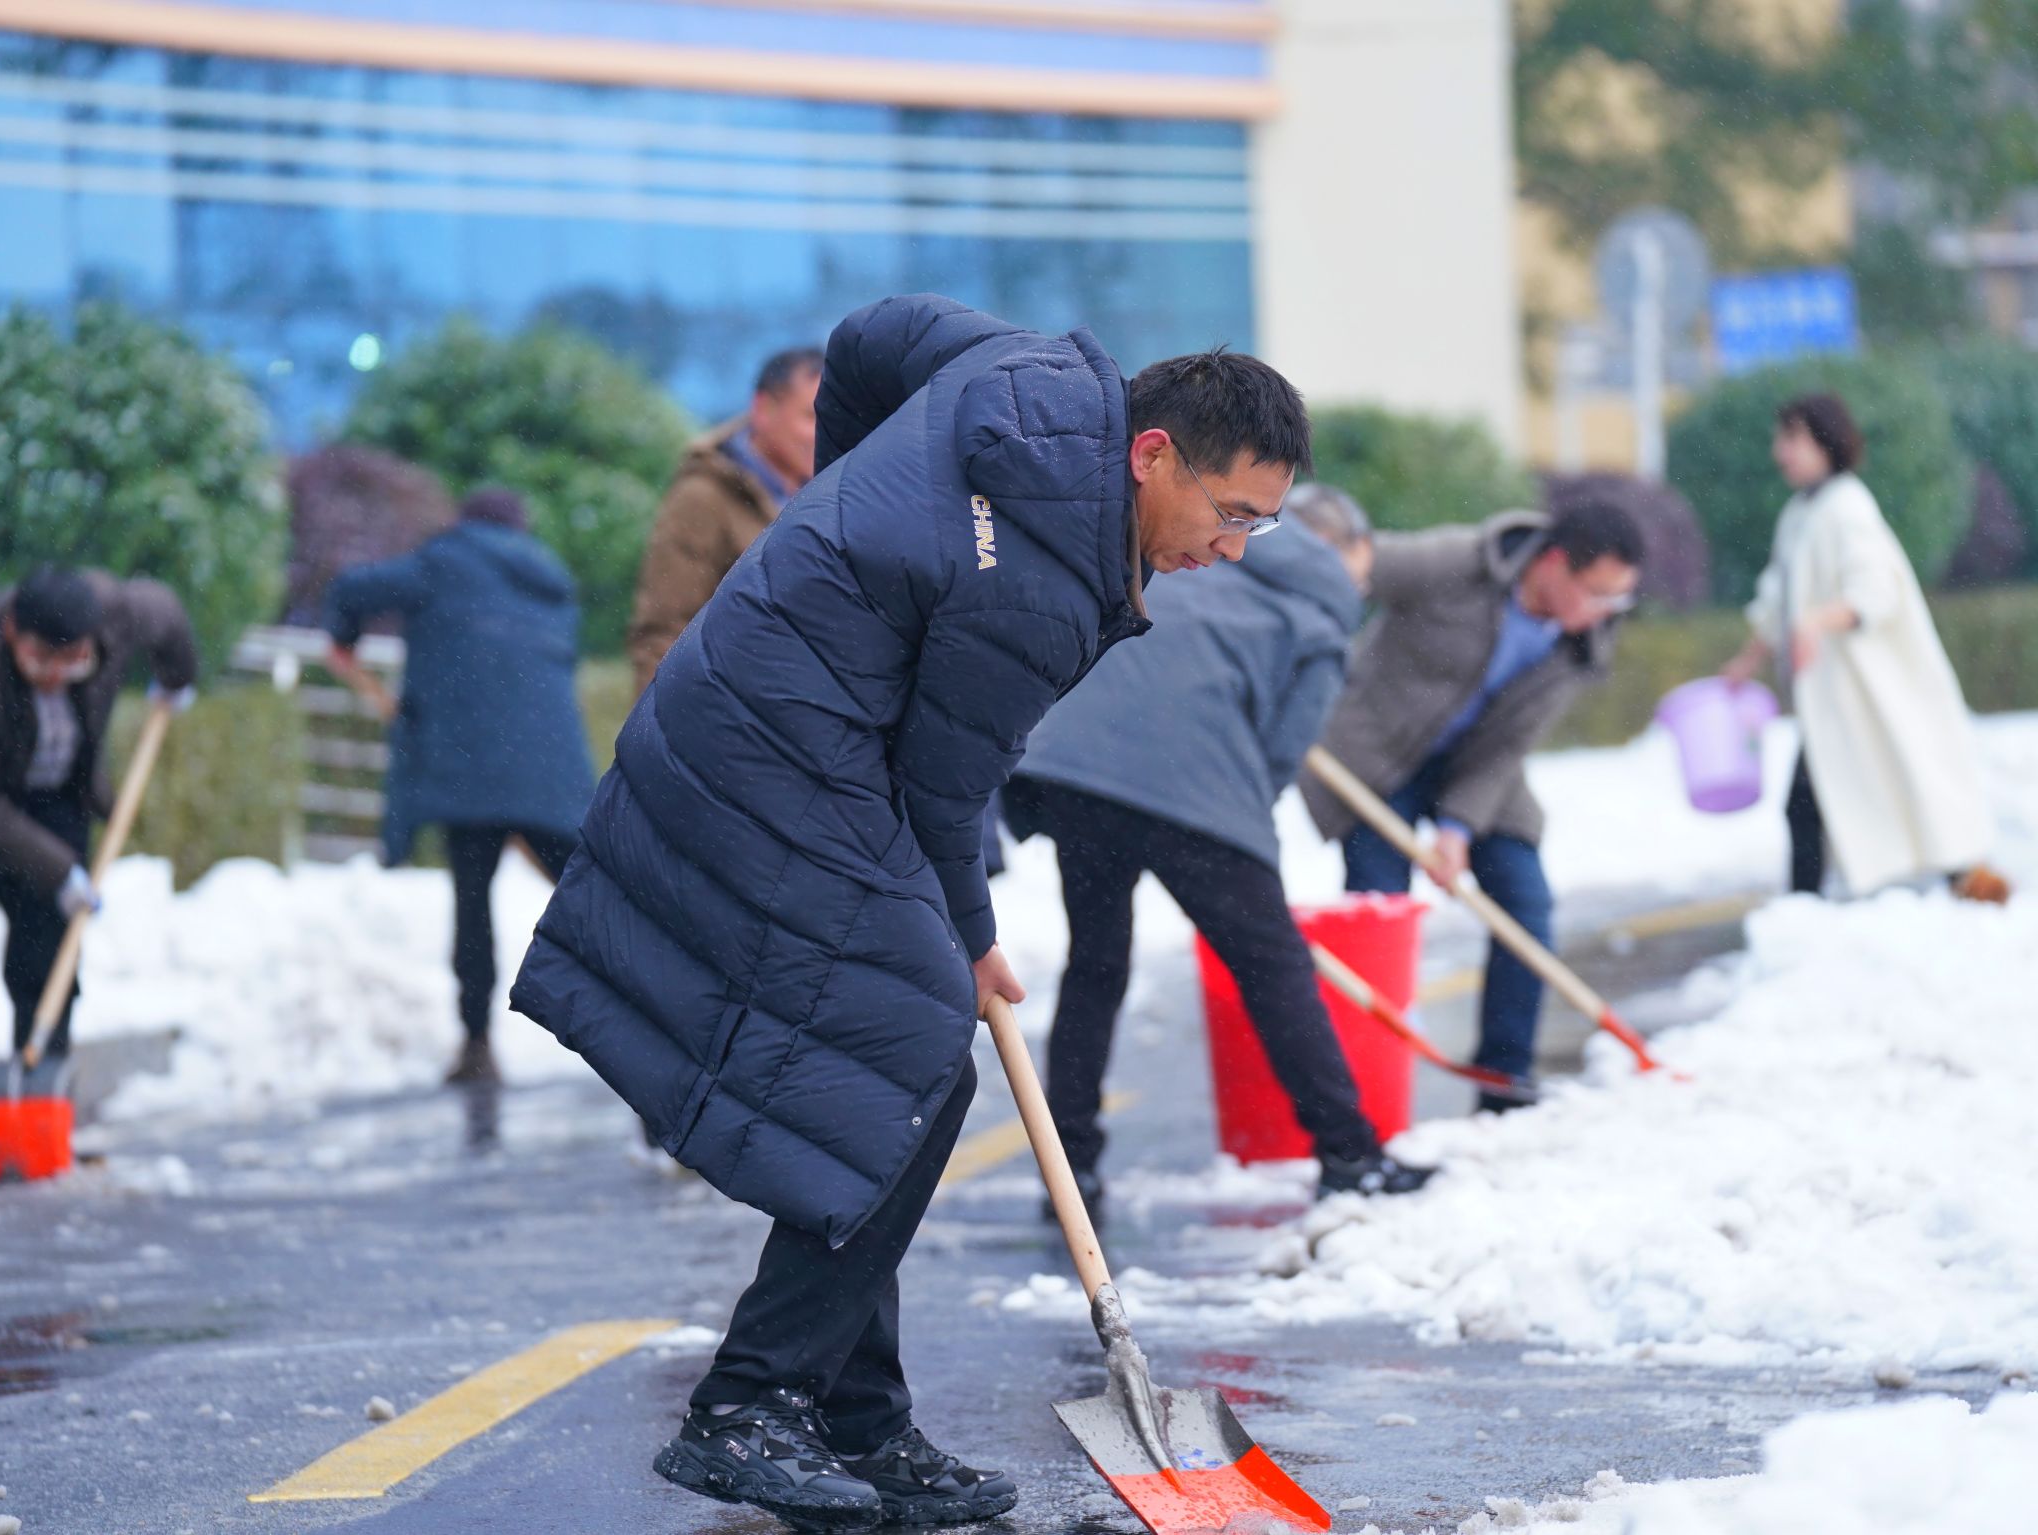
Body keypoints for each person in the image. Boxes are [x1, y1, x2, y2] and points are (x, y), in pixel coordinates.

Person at [511, 295, 1310, 1532]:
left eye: (1261, 521)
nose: (1236, 545)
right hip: (776, 753)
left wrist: (836, 511)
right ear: (1152, 454)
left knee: (867, 1068)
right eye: (1230, 513)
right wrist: (973, 939)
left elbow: (869, 338)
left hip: (759, 707)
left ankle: (858, 1415)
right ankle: (747, 1401)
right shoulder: (1040, 593)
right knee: (912, 1056)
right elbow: (946, 793)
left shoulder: (1026, 376)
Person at [1005, 482, 1432, 1212]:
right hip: (1193, 785)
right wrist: (1237, 812)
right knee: (1274, 966)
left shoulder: (1198, 557)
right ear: (1338, 548)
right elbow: (1287, 745)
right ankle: (1350, 1152)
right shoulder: (1324, 604)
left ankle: (1070, 1164)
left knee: (1097, 962)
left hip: (1075, 771)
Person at [1301, 502, 1645, 1111]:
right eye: (1598, 594)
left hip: (1479, 767)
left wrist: (1459, 827)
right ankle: (1368, 1096)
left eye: (1617, 601)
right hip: (1379, 754)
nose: (1603, 613)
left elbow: (1510, 744)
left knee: (1524, 900)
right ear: (1555, 565)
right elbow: (1355, 566)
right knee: (1382, 909)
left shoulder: (1582, 643)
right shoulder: (1463, 562)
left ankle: (1503, 1081)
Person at [325, 487, 596, 1088]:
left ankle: (476, 1046)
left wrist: (342, 639)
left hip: (469, 771)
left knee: (473, 908)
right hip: (550, 772)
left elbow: (352, 591)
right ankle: (661, 1016)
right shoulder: (551, 582)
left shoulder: (443, 561)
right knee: (596, 901)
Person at [1720, 393, 2008, 903]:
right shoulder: (1801, 511)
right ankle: (1817, 905)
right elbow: (1777, 595)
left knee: (1876, 781)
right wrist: (1750, 657)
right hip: (1833, 697)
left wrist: (1814, 622)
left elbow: (1873, 592)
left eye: (1792, 439)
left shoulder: (1847, 508)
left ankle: (1950, 875)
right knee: (1830, 795)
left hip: (1868, 690)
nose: (1780, 452)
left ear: (1824, 443)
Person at [0, 567, 197, 1070]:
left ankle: (40, 1078)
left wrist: (178, 677)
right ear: (11, 631)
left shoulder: (116, 614)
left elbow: (167, 612)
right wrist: (60, 871)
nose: (58, 675)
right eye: (42, 662)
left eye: (74, 661)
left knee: (47, 948)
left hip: (60, 798)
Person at [627, 346, 824, 696]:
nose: (820, 432)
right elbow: (662, 630)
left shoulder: (832, 495)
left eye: (830, 416)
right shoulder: (702, 498)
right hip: (729, 724)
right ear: (764, 409)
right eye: (809, 416)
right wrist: (660, 737)